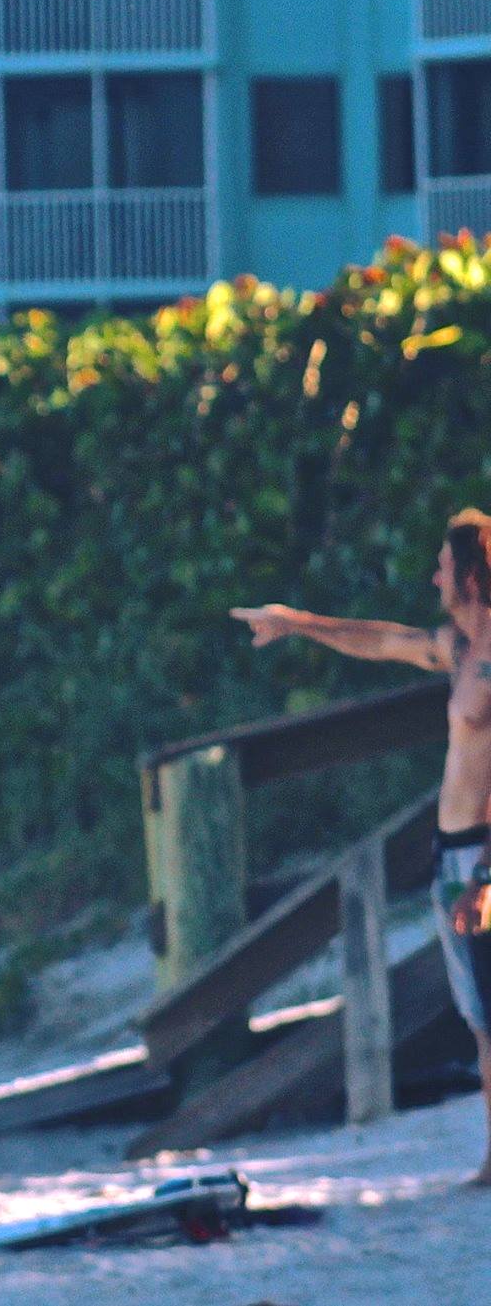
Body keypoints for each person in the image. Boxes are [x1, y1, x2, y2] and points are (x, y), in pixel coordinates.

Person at [233, 506, 491, 1187]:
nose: (433, 577)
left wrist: (486, 877)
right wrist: (298, 622)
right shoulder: (459, 649)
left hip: (482, 859)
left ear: (469, 576)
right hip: (455, 851)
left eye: (443, 566)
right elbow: (382, 640)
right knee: (480, 1015)